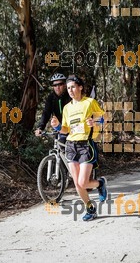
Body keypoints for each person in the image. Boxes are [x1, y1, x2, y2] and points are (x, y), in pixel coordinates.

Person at [51, 75, 107, 221]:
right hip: (71, 146)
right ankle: (90, 208)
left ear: (80, 87)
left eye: (73, 87)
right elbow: (65, 129)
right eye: (68, 88)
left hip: (86, 145)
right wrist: (57, 126)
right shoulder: (67, 108)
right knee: (77, 184)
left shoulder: (89, 102)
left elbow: (103, 119)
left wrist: (94, 121)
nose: (70, 90)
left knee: (83, 182)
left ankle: (100, 183)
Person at [35, 73, 71, 141]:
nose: (57, 87)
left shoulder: (70, 96)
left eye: (60, 84)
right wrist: (40, 127)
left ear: (65, 85)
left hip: (70, 127)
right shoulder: (51, 98)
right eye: (55, 85)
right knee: (58, 145)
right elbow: (46, 113)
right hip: (58, 127)